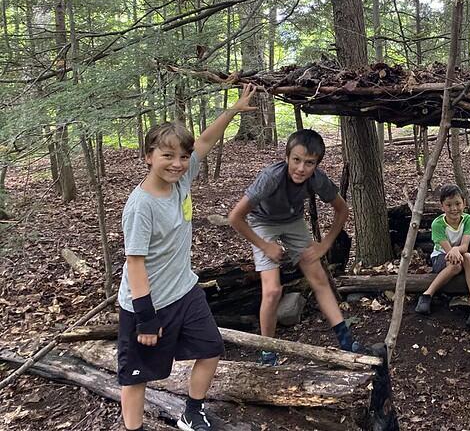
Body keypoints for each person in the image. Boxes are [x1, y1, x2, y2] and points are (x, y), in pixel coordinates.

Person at [117, 84, 258, 431]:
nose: (178, 164)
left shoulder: (181, 181)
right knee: (136, 376)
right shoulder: (141, 206)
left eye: (182, 156)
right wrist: (146, 318)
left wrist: (233, 110)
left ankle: (191, 413)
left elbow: (206, 142)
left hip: (185, 291)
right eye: (168, 156)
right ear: (148, 156)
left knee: (210, 348)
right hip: (146, 303)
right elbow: (134, 263)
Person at [228, 129, 359, 366]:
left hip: (293, 221)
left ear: (317, 164)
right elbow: (235, 217)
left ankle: (346, 341)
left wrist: (324, 245)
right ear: (287, 157)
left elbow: (343, 210)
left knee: (319, 279)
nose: (301, 168)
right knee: (272, 291)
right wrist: (265, 246)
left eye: (309, 163)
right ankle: (267, 350)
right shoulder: (270, 177)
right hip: (262, 222)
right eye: (296, 160)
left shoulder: (318, 179)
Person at [414, 184, 470, 328]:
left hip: (460, 255)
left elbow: (464, 246)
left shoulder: (467, 219)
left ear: (464, 202)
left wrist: (458, 249)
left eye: (457, 203)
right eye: (449, 205)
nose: (454, 208)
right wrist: (456, 250)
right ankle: (427, 295)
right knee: (456, 266)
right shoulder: (437, 224)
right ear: (442, 206)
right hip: (441, 257)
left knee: (468, 257)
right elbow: (448, 251)